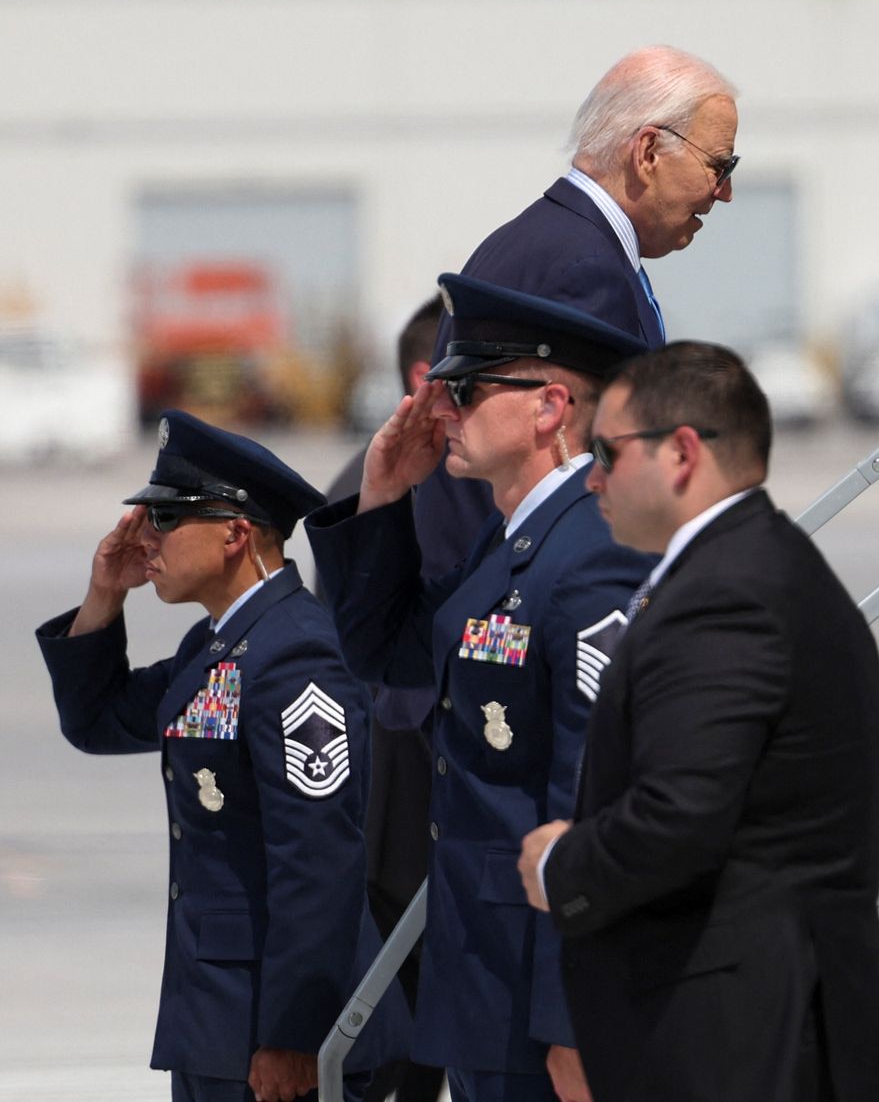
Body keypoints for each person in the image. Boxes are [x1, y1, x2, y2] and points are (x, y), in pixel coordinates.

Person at [517, 342, 879, 1102]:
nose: (591, 476)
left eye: (606, 450)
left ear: (682, 452)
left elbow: (681, 814)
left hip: (745, 1044)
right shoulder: (749, 566)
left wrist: (562, 865)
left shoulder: (726, 595)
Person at [307, 274, 654, 1102]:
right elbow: (388, 660)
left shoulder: (593, 553)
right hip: (484, 979)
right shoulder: (509, 546)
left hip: (542, 996)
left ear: (549, 408)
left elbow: (595, 800)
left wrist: (574, 1023)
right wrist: (385, 496)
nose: (439, 409)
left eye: (461, 388)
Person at [36, 410, 407, 1102]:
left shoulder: (298, 653)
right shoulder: (214, 647)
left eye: (167, 519)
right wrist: (104, 594)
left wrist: (297, 1036)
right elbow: (96, 721)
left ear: (236, 533)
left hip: (276, 1028)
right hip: (218, 1017)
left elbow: (318, 855)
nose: (146, 539)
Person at [416, 43, 739, 579]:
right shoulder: (583, 266)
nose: (723, 192)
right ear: (649, 152)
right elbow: (568, 467)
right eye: (718, 165)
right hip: (528, 604)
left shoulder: (548, 240)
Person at [319, 293, 446, 1102]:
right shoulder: (377, 485)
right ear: (422, 377)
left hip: (433, 764)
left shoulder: (461, 478)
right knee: (397, 1020)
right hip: (395, 770)